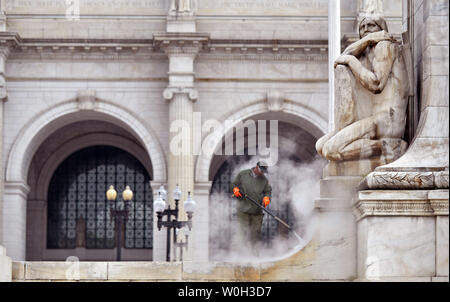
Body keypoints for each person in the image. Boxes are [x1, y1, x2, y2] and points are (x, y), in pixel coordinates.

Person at [316, 16, 409, 162]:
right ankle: (381, 146)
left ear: (381, 29)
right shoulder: (367, 52)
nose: (366, 29)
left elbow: (376, 84)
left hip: (388, 121)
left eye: (371, 26)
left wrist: (351, 60)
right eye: (362, 27)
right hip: (372, 119)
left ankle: (390, 147)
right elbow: (342, 58)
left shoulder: (385, 46)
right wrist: (366, 40)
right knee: (320, 145)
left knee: (331, 150)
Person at [230, 161, 272, 254]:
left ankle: (254, 256)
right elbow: (233, 184)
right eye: (261, 170)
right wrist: (235, 189)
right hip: (243, 210)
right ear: (257, 167)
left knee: (256, 235)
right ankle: (240, 254)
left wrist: (267, 198)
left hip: (257, 211)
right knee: (242, 233)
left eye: (264, 171)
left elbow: (268, 191)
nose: (262, 173)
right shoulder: (243, 174)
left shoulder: (264, 180)